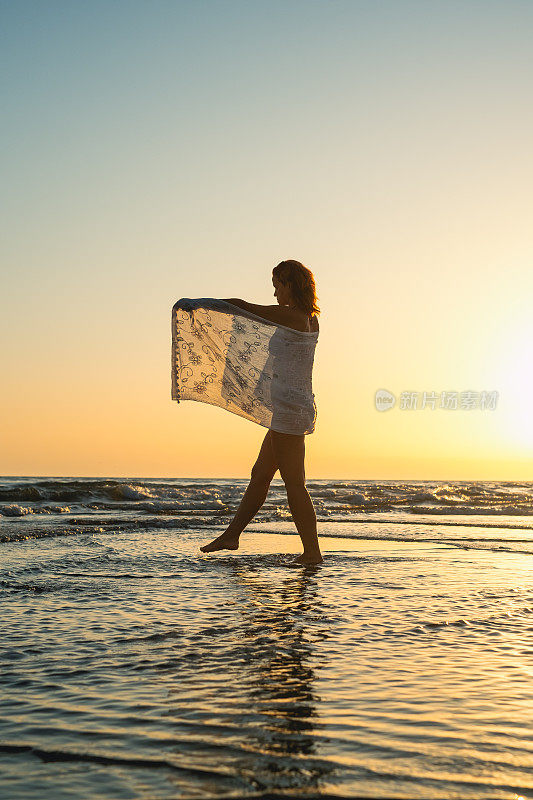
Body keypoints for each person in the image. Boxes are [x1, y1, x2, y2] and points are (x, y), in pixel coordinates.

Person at [200, 260, 323, 566]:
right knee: (261, 474)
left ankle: (312, 552)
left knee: (294, 483)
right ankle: (232, 535)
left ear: (291, 284)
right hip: (291, 408)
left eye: (278, 284)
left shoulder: (292, 316)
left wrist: (203, 304)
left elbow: (245, 308)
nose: (274, 290)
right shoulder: (309, 319)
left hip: (289, 411)